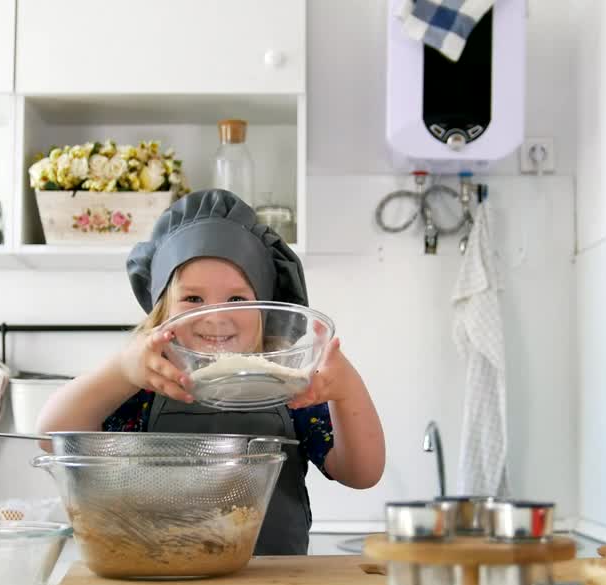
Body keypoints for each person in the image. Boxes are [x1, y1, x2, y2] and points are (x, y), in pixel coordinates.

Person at [37, 189, 385, 554]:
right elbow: (51, 438)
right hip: (159, 580)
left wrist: (348, 391)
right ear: (162, 311)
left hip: (273, 582)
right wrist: (122, 371)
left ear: (265, 310)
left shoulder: (288, 387)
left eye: (236, 299)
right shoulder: (145, 384)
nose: (215, 317)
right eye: (193, 299)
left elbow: (361, 473)